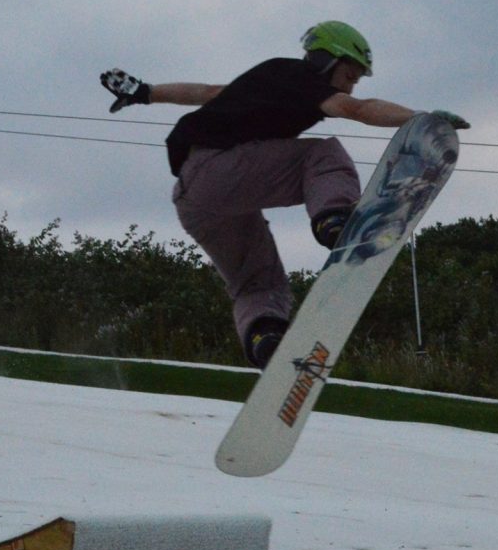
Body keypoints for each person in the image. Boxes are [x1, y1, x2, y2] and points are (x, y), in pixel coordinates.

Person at [101, 20, 469, 369]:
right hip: (220, 170)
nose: (349, 87)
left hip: (192, 198)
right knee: (323, 154)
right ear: (328, 60)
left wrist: (147, 93)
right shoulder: (304, 80)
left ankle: (267, 339)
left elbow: (210, 93)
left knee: (258, 281)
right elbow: (357, 109)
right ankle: (335, 223)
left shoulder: (269, 77)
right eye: (349, 75)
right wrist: (420, 119)